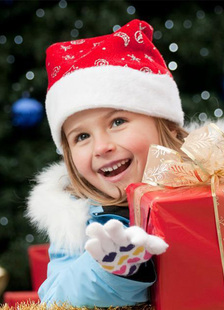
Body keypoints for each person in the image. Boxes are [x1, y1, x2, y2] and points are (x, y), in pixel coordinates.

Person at [26, 19, 187, 308]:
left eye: (118, 121)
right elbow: (53, 299)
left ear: (167, 124)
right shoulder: (79, 221)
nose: (102, 147)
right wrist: (111, 271)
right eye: (82, 136)